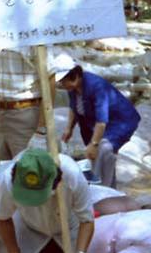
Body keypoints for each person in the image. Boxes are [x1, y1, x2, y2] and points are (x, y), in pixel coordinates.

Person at [0, 46, 51, 253]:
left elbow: (50, 78)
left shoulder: (30, 34)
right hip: (0, 111)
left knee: (31, 183)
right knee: (0, 186)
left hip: (27, 110)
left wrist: (41, 128)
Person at [54, 52, 141, 188]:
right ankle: (104, 186)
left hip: (119, 122)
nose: (62, 84)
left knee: (104, 149)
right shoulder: (72, 87)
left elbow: (102, 120)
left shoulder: (96, 86)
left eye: (63, 81)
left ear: (75, 76)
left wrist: (94, 144)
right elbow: (73, 106)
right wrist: (69, 128)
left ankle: (104, 192)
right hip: (91, 122)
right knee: (93, 155)